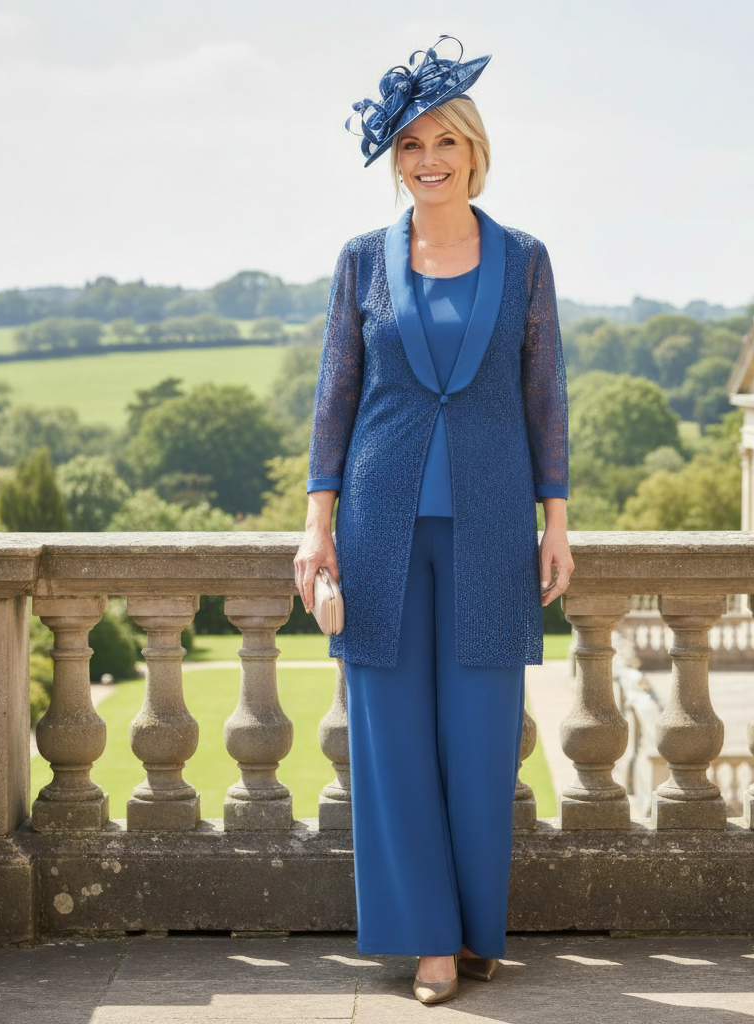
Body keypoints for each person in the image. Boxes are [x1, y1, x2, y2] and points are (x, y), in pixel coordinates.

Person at [294, 37, 572, 1006]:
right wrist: (314, 526)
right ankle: (430, 944)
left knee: (480, 735)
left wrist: (557, 521)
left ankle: (473, 928)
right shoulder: (360, 261)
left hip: (495, 524)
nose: (427, 159)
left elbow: (544, 397)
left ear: (473, 149)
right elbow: (335, 396)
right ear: (393, 159)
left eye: (444, 140)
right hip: (378, 521)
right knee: (391, 739)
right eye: (409, 144)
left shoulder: (524, 259)